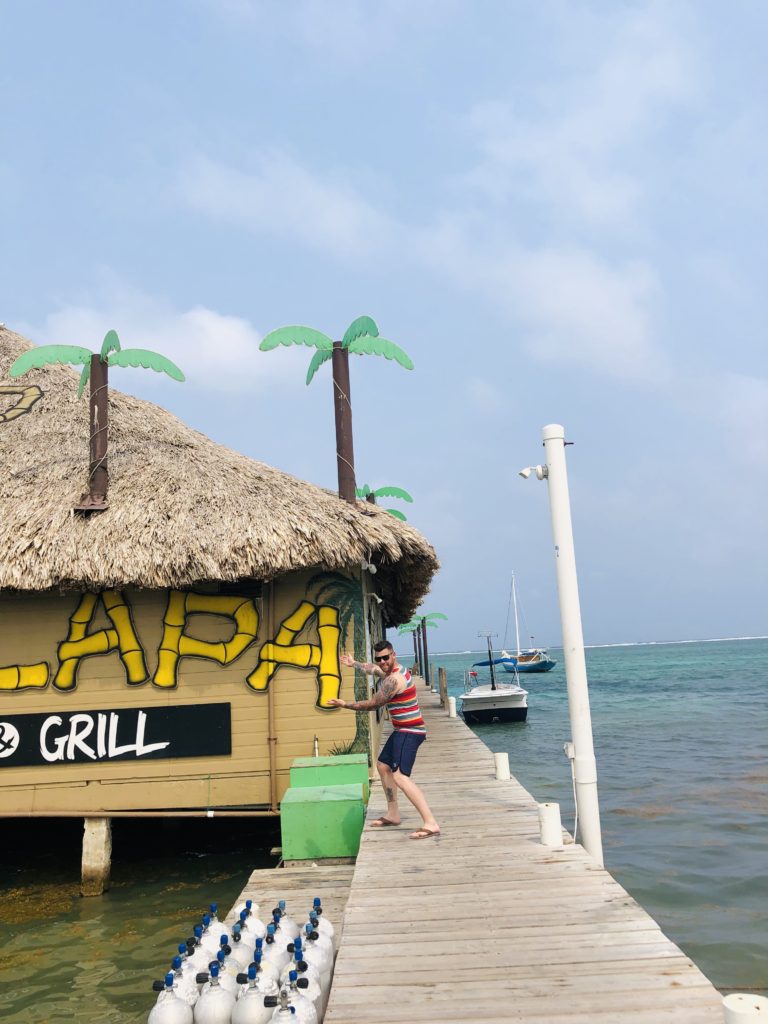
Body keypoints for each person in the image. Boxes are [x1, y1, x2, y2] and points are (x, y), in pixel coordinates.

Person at [327, 640, 440, 839]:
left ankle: (430, 823)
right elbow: (373, 669)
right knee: (382, 766)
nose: (382, 662)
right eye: (379, 659)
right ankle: (393, 814)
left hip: (411, 730)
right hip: (401, 729)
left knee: (400, 776)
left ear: (393, 655)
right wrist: (354, 663)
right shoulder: (388, 671)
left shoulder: (393, 680)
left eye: (386, 658)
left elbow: (372, 704)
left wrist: (344, 704)